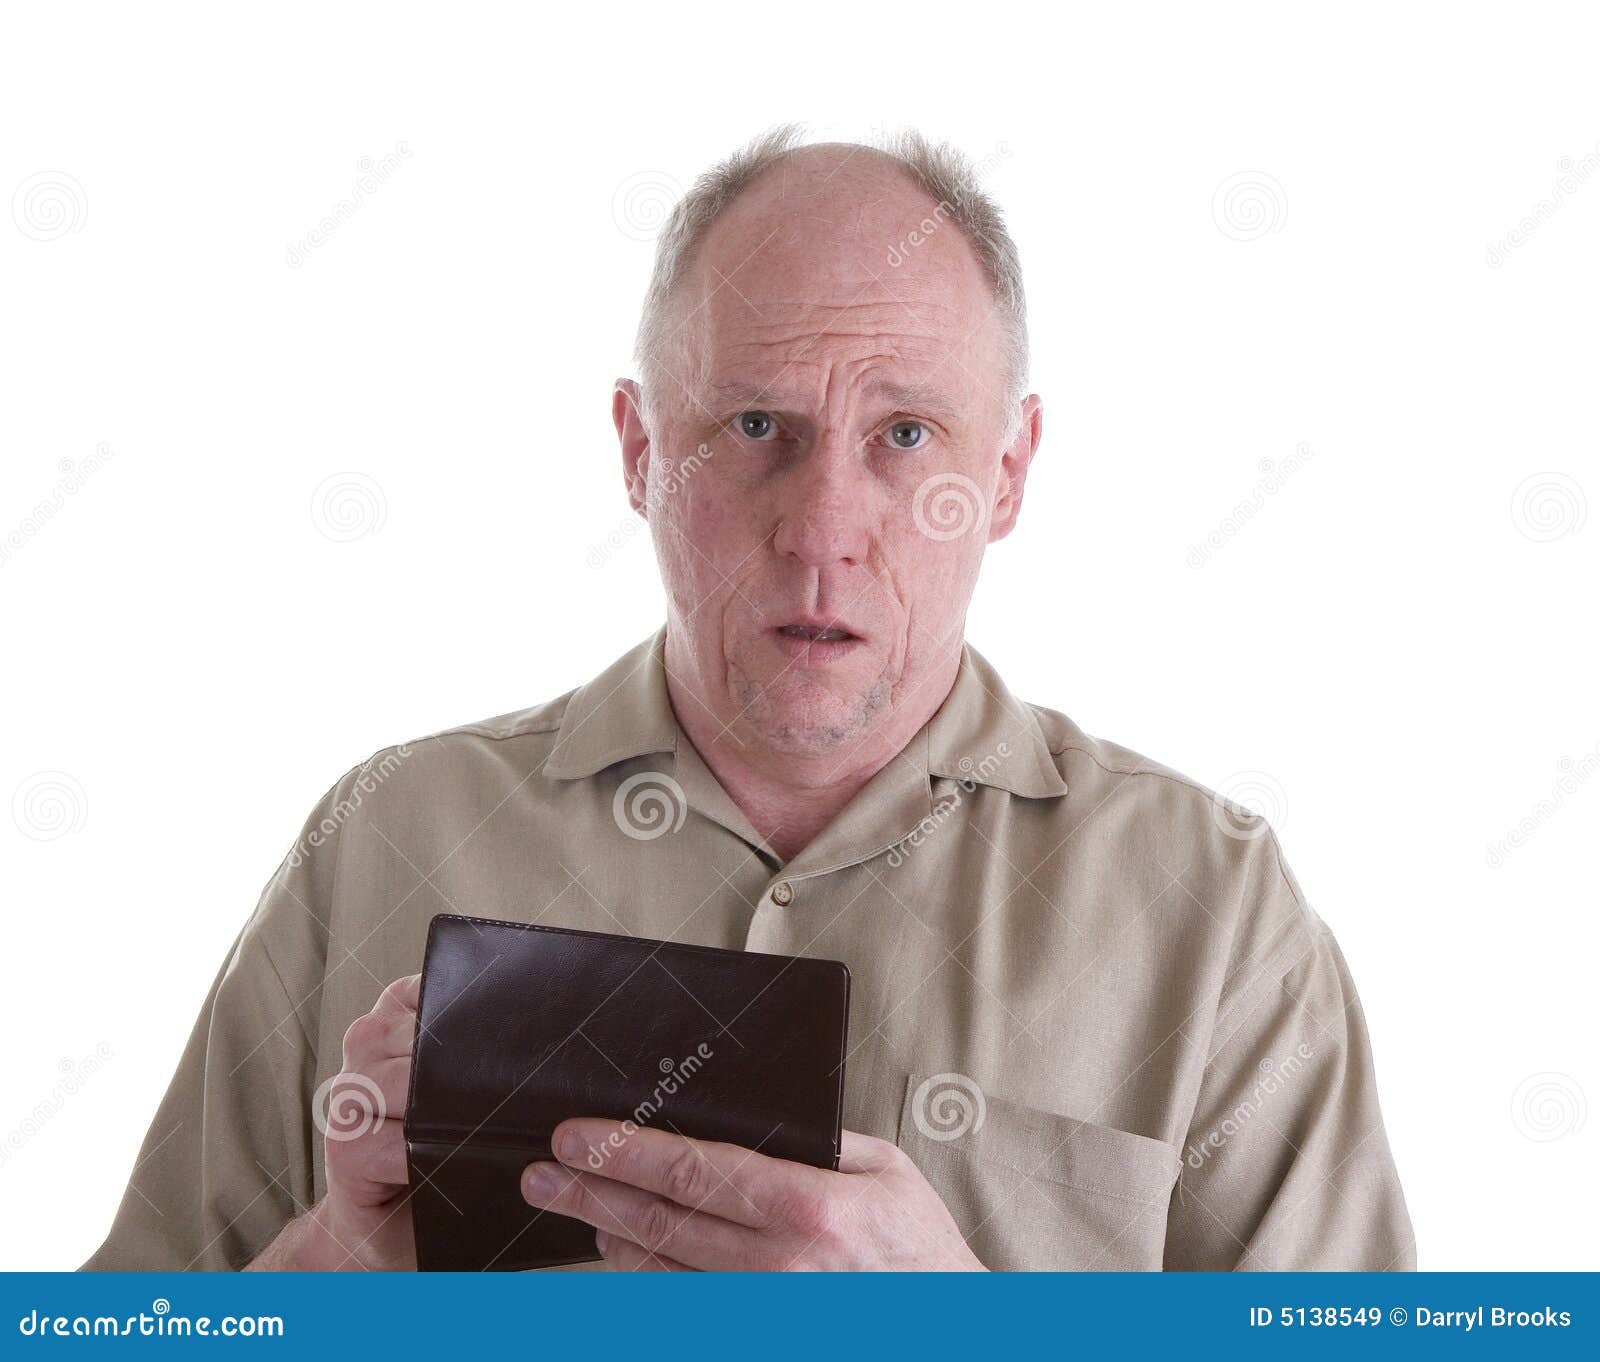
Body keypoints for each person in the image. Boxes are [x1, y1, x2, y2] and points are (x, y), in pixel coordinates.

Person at [85, 127, 1414, 1272]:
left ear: (1006, 473)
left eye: (904, 436)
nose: (824, 529)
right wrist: (339, 1261)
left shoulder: (1216, 903)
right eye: (756, 430)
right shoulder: (387, 829)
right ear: (638, 448)